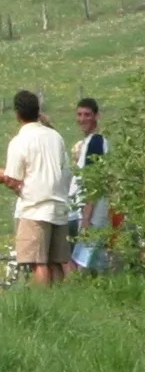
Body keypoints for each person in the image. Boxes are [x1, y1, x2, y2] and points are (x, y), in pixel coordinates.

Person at [0, 90, 72, 285]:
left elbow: (13, 179)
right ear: (38, 111)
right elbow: (64, 169)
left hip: (35, 208)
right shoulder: (55, 137)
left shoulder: (20, 141)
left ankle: (43, 304)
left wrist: (3, 177)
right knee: (57, 262)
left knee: (39, 263)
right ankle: (63, 298)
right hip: (59, 205)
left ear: (18, 113)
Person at [68, 97, 111, 273]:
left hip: (91, 213)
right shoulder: (89, 142)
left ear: (96, 116)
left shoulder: (95, 142)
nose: (82, 119)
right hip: (88, 212)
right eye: (79, 114)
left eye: (87, 114)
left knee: (86, 263)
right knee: (92, 261)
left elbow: (93, 181)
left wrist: (86, 218)